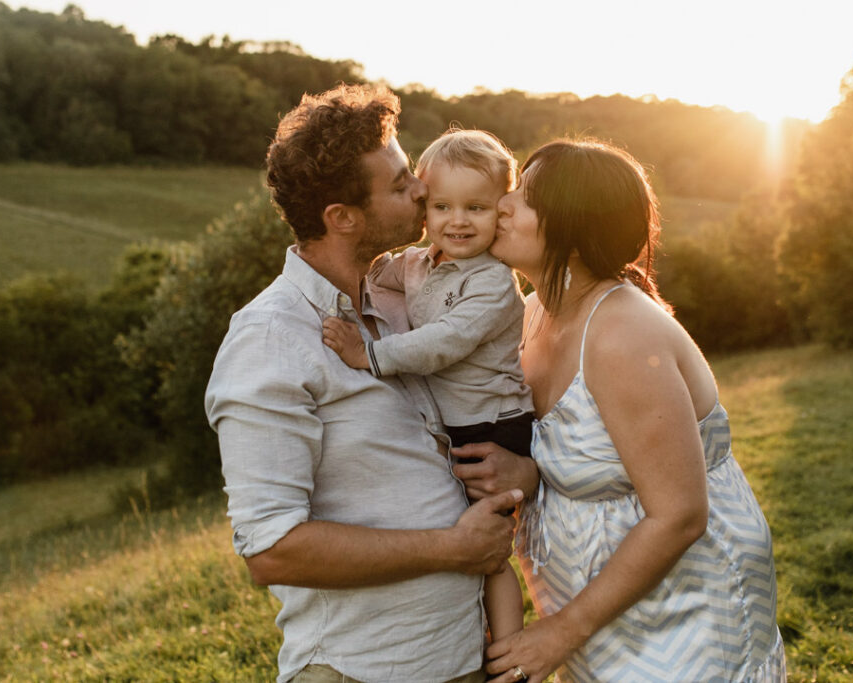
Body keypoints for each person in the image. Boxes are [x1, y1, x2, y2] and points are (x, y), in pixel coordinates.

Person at [204, 84, 523, 683]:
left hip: (460, 658)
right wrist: (452, 549)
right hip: (364, 669)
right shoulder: (270, 340)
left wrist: (519, 471)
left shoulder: (403, 299)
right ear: (342, 218)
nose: (423, 190)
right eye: (402, 185)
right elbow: (272, 549)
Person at [454, 139, 786, 683]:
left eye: (527, 197)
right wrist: (528, 476)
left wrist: (560, 632)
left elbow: (679, 514)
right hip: (599, 611)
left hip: (683, 613)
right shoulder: (533, 312)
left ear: (577, 232)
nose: (504, 204)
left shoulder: (621, 334)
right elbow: (587, 454)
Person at [321, 128, 533, 641]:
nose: (457, 221)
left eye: (476, 208)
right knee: (461, 537)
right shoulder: (418, 263)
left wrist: (367, 355)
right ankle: (473, 635)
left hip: (495, 425)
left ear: (501, 210)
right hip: (456, 425)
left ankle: (508, 656)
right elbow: (371, 274)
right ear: (425, 209)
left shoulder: (492, 284)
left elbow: (442, 342)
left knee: (489, 546)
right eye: (442, 206)